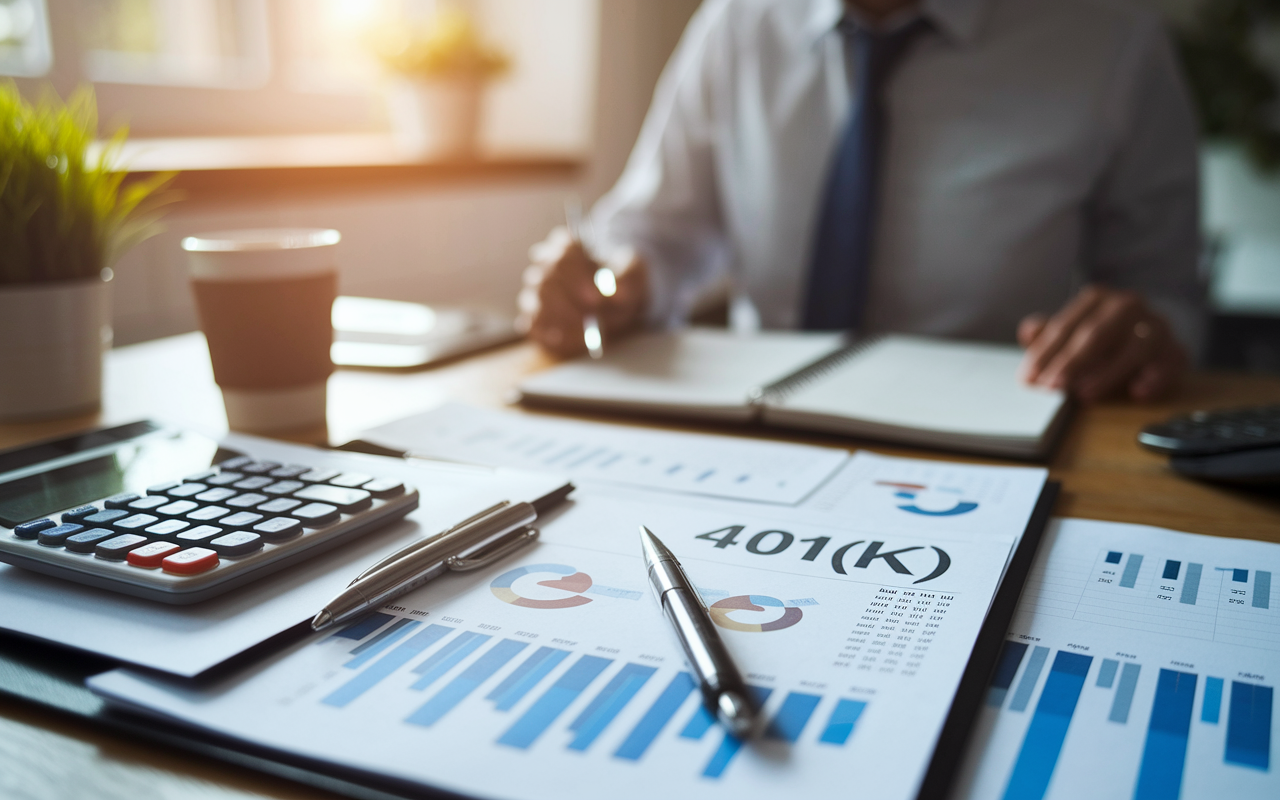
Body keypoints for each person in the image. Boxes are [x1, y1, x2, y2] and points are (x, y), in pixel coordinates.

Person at [519, 0, 1203, 402]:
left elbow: (1167, 294)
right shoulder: (737, 22)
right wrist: (612, 283)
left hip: (997, 446)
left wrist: (1147, 337)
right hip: (753, 427)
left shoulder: (1111, 37)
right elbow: (661, 233)